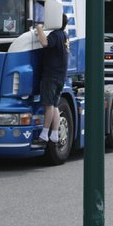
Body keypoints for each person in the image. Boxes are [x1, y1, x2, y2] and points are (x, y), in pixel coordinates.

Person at [36, 14, 69, 143]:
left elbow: (44, 43)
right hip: (61, 75)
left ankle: (44, 135)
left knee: (48, 105)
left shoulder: (55, 34)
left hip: (51, 75)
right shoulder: (64, 35)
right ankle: (54, 135)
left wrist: (39, 29)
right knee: (55, 105)